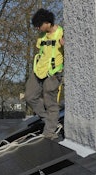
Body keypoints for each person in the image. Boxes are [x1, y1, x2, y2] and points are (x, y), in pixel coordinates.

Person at [25, 8, 64, 140]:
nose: (38, 28)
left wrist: (66, 45)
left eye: (39, 25)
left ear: (47, 22)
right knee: (30, 96)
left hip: (53, 73)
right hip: (39, 71)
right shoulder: (41, 36)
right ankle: (50, 121)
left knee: (50, 102)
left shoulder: (61, 33)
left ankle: (49, 133)